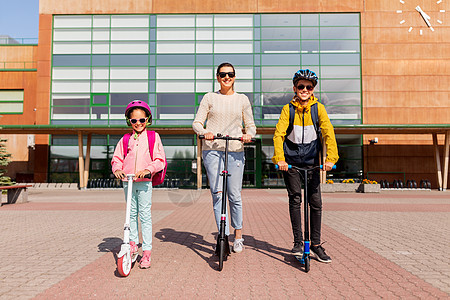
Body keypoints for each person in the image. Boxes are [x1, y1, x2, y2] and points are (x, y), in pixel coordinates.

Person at [272, 69, 339, 263]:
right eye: (301, 86)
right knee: (295, 199)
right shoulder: (288, 109)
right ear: (295, 88)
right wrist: (280, 159)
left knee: (315, 202)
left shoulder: (319, 109)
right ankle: (298, 243)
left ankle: (316, 245)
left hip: (311, 162)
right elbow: (279, 135)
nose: (304, 89)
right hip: (291, 162)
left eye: (308, 87)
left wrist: (331, 159)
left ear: (313, 90)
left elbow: (328, 133)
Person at [192, 62, 256, 253]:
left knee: (234, 195)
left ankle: (238, 235)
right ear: (217, 77)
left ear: (234, 77)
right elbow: (196, 122)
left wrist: (248, 134)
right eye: (222, 74)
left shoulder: (242, 99)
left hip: (235, 149)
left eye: (230, 74)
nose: (226, 77)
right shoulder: (209, 97)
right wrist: (205, 132)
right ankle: (223, 234)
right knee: (217, 193)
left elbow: (251, 125)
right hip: (212, 149)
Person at [111, 100, 166, 269]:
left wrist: (149, 169)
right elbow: (117, 158)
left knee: (144, 215)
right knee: (131, 214)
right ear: (129, 121)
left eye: (142, 120)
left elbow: (160, 159)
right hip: (128, 181)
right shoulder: (125, 138)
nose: (138, 124)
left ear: (147, 119)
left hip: (144, 182)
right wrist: (117, 169)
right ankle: (133, 244)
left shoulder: (153, 137)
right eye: (134, 121)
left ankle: (147, 251)